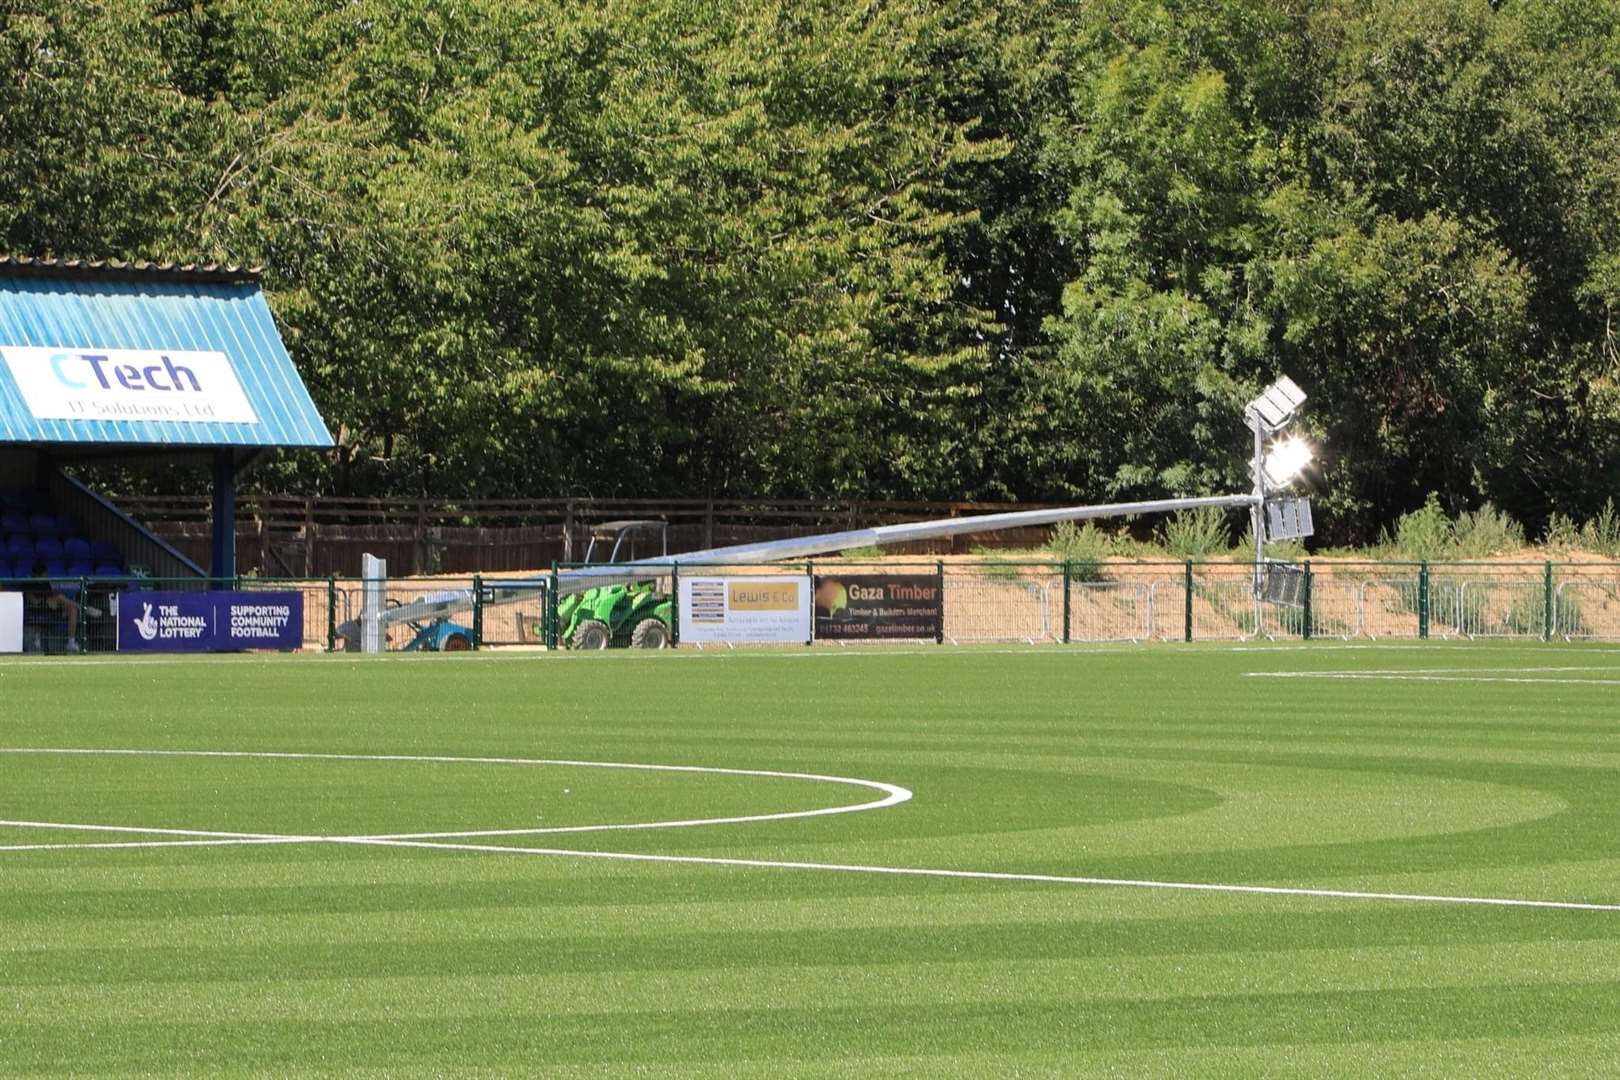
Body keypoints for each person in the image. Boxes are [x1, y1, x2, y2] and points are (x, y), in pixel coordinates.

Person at [26, 560, 80, 652]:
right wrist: (46, 600)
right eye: (45, 574)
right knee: (59, 597)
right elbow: (34, 601)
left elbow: (51, 594)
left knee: (73, 609)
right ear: (39, 574)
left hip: (53, 608)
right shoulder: (28, 584)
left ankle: (71, 642)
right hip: (39, 608)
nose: (46, 576)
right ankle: (84, 608)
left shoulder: (46, 583)